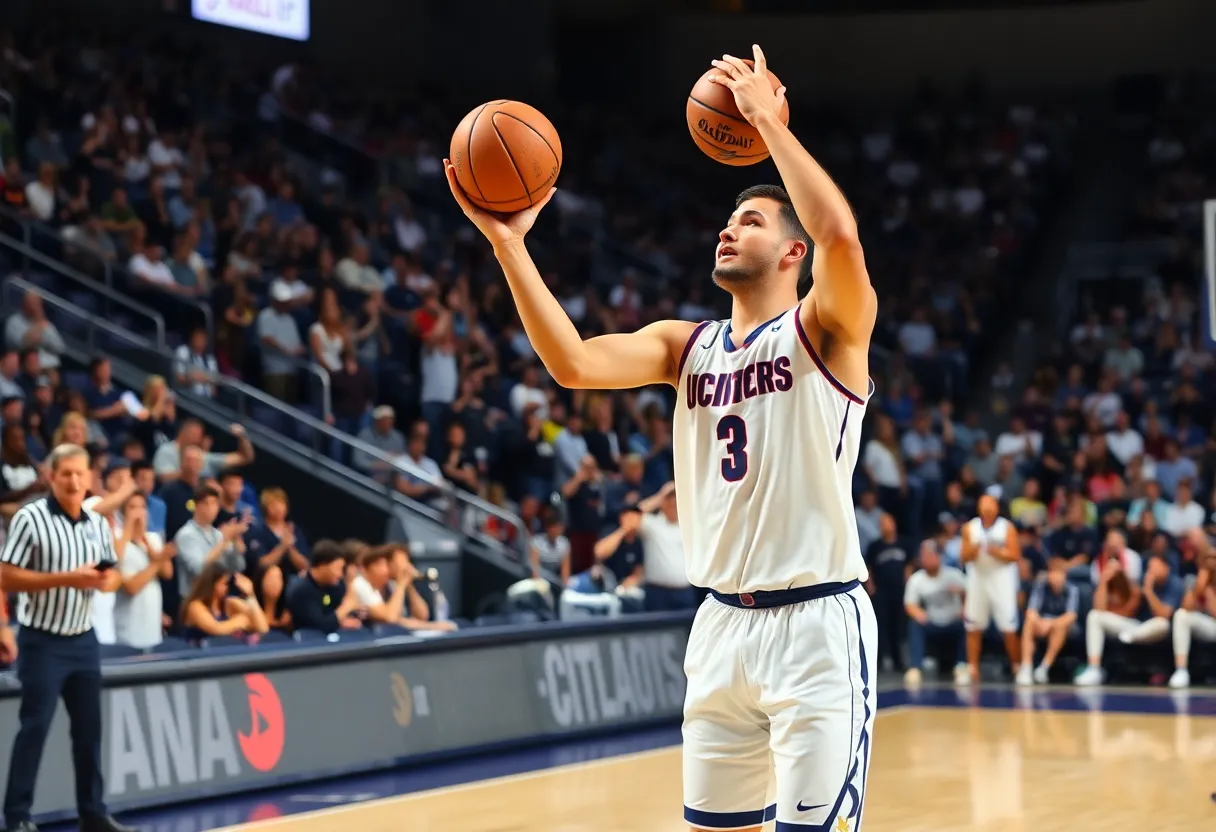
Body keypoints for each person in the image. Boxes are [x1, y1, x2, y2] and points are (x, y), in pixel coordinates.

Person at [446, 44, 877, 832]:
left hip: (818, 625)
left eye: (749, 220)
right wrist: (509, 243)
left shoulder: (828, 330)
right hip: (718, 628)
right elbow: (573, 363)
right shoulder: (686, 346)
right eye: (726, 218)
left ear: (791, 252)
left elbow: (841, 240)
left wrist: (769, 126)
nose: (727, 228)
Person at [0, 443, 137, 832]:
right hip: (42, 640)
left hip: (83, 638)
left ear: (90, 477)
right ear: (51, 476)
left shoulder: (96, 521)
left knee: (89, 730)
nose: (75, 481)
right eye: (66, 474)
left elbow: (109, 579)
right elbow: (6, 576)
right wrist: (68, 578)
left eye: (80, 473)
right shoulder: (31, 518)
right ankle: (18, 817)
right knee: (35, 727)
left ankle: (93, 812)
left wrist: (104, 578)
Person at [960, 494, 1022, 682]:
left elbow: (1015, 555)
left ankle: (1017, 667)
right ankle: (972, 669)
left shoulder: (1007, 527)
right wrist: (975, 549)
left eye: (990, 506)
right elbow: (964, 556)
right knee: (973, 626)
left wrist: (998, 551)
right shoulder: (969, 528)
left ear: (996, 508)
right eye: (984, 506)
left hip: (1001, 579)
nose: (987, 510)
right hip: (978, 579)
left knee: (1008, 627)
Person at [1015, 557, 1080, 685]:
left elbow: (1071, 616)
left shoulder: (1072, 589)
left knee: (1061, 626)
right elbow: (1031, 611)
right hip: (1042, 623)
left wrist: (1050, 624)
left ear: (1064, 575)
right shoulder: (1040, 585)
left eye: (1059, 573)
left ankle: (1044, 668)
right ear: (1048, 574)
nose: (1056, 577)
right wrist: (1039, 622)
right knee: (1029, 622)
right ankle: (1026, 667)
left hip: (1062, 625)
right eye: (1053, 573)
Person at [1170, 529, 1216, 689]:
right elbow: (1186, 606)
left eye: (1213, 559)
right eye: (1206, 560)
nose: (1211, 563)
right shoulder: (1195, 579)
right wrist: (1202, 583)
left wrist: (1209, 591)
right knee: (1181, 616)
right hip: (1206, 626)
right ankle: (1181, 670)